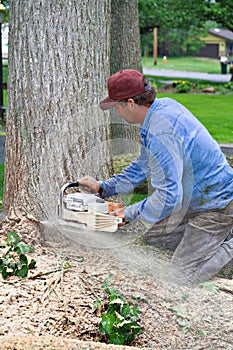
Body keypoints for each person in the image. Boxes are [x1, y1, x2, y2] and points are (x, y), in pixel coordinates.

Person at [78, 69, 233, 284]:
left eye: (117, 107)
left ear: (130, 103)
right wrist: (104, 188)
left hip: (217, 204)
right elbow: (142, 166)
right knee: (151, 235)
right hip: (195, 201)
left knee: (180, 277)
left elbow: (169, 197)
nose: (117, 113)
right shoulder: (161, 109)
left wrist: (126, 213)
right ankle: (211, 239)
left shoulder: (160, 132)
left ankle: (226, 241)